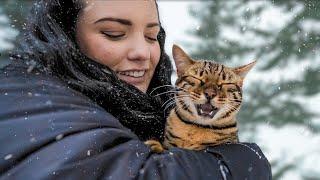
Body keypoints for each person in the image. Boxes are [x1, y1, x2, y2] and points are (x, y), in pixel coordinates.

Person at [0, 0, 271, 179]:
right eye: (114, 33)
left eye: (152, 36)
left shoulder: (135, 105)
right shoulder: (24, 97)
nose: (143, 52)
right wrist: (239, 164)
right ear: (62, 34)